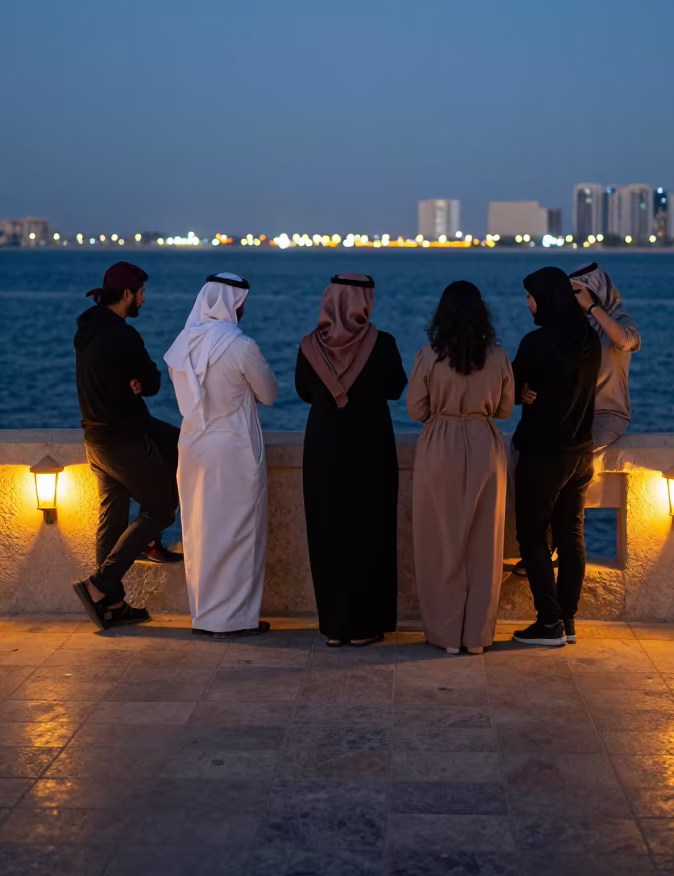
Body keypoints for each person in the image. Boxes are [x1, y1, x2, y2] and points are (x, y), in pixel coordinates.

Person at [295, 273, 407, 646]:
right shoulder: (383, 343)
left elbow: (303, 391)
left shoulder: (309, 346)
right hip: (371, 447)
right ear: (363, 302)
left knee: (328, 532)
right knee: (369, 530)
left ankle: (335, 627)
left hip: (324, 446)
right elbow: (395, 388)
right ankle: (365, 625)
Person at [165, 273, 278, 638]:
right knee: (239, 532)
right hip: (235, 449)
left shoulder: (183, 343)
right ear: (234, 303)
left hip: (194, 447)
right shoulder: (241, 346)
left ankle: (204, 616)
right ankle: (237, 619)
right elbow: (269, 393)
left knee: (200, 530)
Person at [72, 262, 182, 630]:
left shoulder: (86, 327)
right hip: (124, 440)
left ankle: (112, 605)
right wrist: (137, 381)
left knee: (114, 516)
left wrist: (132, 381)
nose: (143, 299)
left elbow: (134, 380)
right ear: (126, 295)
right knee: (161, 510)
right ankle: (101, 584)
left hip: (96, 439)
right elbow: (151, 382)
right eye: (141, 293)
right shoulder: (123, 335)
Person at [407, 281, 514, 655]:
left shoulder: (429, 357)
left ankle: (446, 635)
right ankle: (477, 637)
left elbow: (415, 410)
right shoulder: (498, 357)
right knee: (485, 545)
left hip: (441, 446)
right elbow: (503, 410)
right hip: (484, 445)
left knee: (441, 542)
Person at [511, 267, 601, 647]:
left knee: (532, 535)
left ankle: (548, 621)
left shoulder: (536, 342)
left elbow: (508, 388)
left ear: (546, 298)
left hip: (543, 454)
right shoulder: (589, 341)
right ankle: (567, 621)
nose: (528, 304)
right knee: (571, 536)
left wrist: (522, 392)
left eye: (531, 297)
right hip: (580, 454)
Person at [568, 262, 641, 451]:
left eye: (577, 293)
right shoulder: (578, 326)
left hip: (607, 414)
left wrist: (592, 306)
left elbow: (624, 341)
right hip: (574, 414)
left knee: (577, 452)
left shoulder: (622, 321)